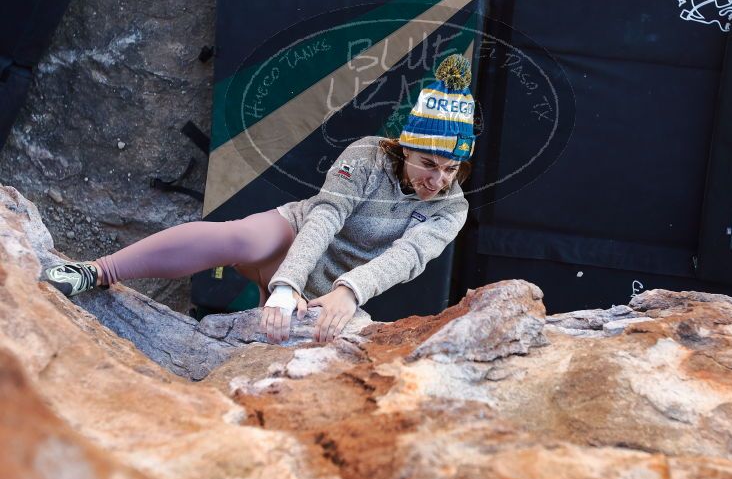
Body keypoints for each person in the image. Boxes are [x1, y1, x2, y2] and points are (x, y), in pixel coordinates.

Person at [42, 54, 477, 343]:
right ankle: (97, 271)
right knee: (239, 238)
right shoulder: (367, 156)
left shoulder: (452, 208)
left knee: (305, 346)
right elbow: (326, 215)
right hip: (293, 240)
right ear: (404, 148)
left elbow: (407, 257)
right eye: (428, 163)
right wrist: (286, 284)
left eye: (451, 169)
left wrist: (350, 292)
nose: (438, 179)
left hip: (332, 289)